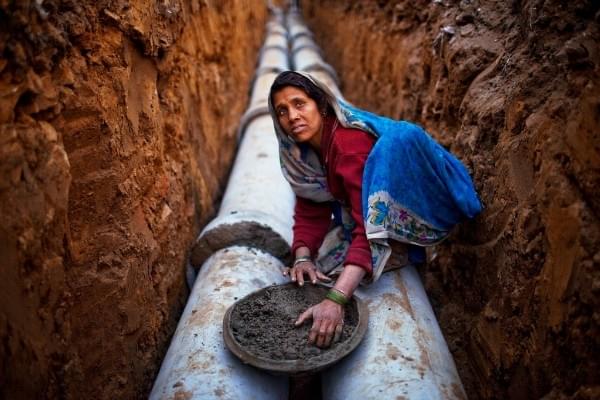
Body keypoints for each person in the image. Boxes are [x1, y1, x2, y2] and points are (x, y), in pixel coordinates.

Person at [268, 71, 481, 349]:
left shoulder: (347, 147)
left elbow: (369, 226)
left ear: (320, 105)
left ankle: (400, 246)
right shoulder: (302, 153)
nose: (292, 116)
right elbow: (310, 206)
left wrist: (336, 299)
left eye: (299, 104)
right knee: (317, 271)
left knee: (338, 278)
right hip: (366, 215)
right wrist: (302, 257)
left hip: (406, 207)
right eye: (282, 111)